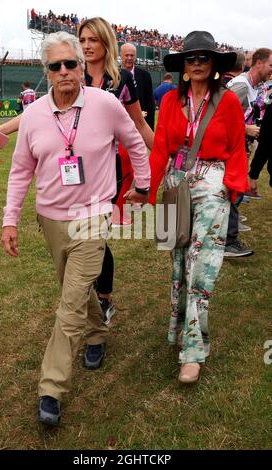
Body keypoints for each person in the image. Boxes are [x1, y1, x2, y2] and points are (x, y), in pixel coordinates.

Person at [1, 31, 150, 426]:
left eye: (72, 64)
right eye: (56, 66)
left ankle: (51, 389)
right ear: (46, 73)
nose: (65, 71)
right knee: (76, 289)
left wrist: (144, 183)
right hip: (50, 218)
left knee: (68, 306)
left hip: (93, 216)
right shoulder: (33, 115)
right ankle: (99, 331)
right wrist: (10, 219)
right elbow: (20, 172)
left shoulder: (104, 104)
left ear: (82, 68)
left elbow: (134, 140)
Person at [149, 31, 247, 383]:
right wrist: (148, 190)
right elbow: (161, 146)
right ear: (183, 67)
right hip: (175, 182)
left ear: (214, 64)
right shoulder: (173, 103)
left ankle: (193, 349)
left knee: (200, 264)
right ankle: (178, 328)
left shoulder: (229, 101)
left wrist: (232, 189)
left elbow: (237, 147)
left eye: (204, 58)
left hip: (212, 184)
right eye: (191, 59)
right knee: (178, 260)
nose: (197, 63)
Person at [79, 17, 154, 319]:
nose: (86, 46)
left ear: (105, 42)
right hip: (71, 171)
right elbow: (40, 113)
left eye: (92, 40)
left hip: (106, 171)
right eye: (82, 39)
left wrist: (168, 153)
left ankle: (104, 299)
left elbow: (138, 123)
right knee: (77, 236)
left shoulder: (121, 78)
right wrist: (5, 129)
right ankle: (82, 294)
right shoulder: (70, 71)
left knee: (96, 237)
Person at [224, 47, 272, 257]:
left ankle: (228, 235)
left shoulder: (254, 86)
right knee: (231, 190)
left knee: (234, 191)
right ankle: (228, 240)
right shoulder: (241, 86)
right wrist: (246, 128)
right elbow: (218, 115)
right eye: (271, 65)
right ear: (259, 63)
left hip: (239, 147)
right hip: (228, 149)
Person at [120, 42, 155, 130]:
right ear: (121, 55)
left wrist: (150, 129)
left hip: (140, 127)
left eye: (132, 55)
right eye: (126, 55)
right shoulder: (113, 75)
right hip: (120, 127)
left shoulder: (145, 75)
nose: (129, 58)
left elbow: (150, 104)